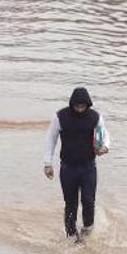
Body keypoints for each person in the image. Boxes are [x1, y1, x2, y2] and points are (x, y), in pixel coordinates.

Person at [43, 86, 111, 241]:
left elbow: (104, 135)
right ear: (71, 104)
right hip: (68, 168)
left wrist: (104, 147)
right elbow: (50, 139)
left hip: (88, 167)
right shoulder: (60, 117)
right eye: (77, 105)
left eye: (83, 106)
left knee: (88, 200)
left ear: (88, 104)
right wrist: (48, 163)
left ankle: (87, 230)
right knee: (70, 203)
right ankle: (71, 236)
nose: (80, 109)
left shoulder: (95, 117)